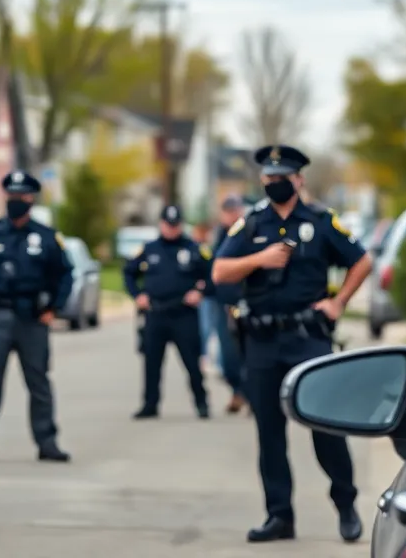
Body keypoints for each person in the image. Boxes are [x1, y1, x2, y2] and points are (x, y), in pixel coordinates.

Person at [213, 145, 374, 544]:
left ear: (299, 180)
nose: (274, 184)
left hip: (308, 338)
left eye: (281, 178)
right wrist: (259, 259)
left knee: (325, 426)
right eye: (268, 178)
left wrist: (339, 302)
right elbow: (220, 271)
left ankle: (346, 504)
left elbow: (362, 261)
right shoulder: (251, 224)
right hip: (263, 341)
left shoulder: (320, 221)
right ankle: (279, 516)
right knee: (269, 433)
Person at [0, 171, 73, 463]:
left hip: (33, 319)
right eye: (11, 196)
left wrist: (54, 308)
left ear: (31, 199)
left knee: (39, 383)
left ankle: (47, 443)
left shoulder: (46, 237)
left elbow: (65, 275)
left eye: (21, 196)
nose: (15, 201)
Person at [124, 204, 211, 420]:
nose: (171, 229)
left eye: (175, 225)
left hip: (184, 313)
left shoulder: (194, 249)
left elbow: (213, 274)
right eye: (167, 224)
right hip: (156, 312)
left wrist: (200, 291)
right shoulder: (149, 249)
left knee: (192, 362)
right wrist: (138, 295)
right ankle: (150, 404)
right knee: (152, 362)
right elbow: (129, 273)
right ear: (161, 224)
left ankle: (201, 402)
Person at [204, 194, 247, 414]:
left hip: (246, 302)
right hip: (223, 303)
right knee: (228, 353)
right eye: (228, 211)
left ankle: (251, 396)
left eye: (234, 210)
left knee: (248, 352)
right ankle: (237, 391)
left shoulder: (249, 233)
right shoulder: (219, 236)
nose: (231, 215)